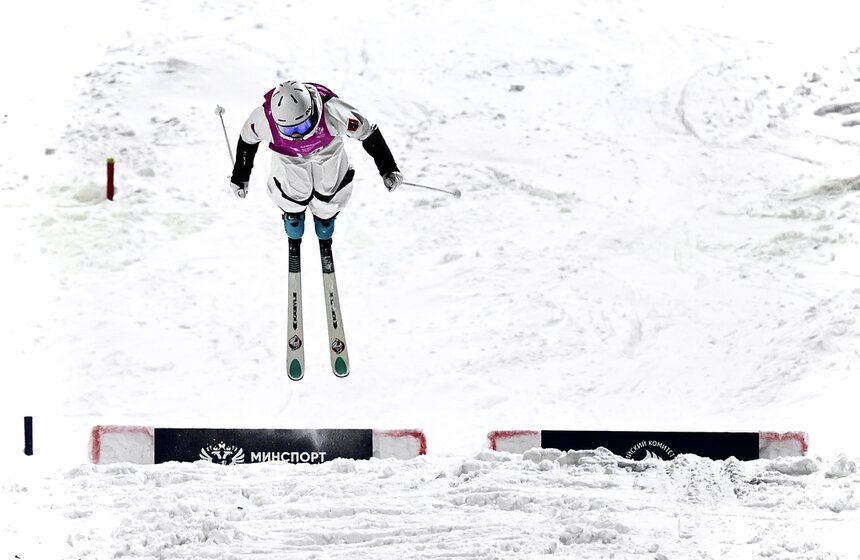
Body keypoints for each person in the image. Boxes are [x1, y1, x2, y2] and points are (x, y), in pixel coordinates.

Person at [229, 80, 404, 241]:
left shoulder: (333, 112)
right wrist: (240, 176)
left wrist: (388, 168)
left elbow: (368, 133)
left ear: (312, 112)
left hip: (326, 147)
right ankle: (293, 213)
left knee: (329, 186)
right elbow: (247, 141)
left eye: (301, 127)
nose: (296, 135)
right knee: (295, 190)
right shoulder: (264, 118)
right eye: (288, 130)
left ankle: (325, 217)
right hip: (289, 153)